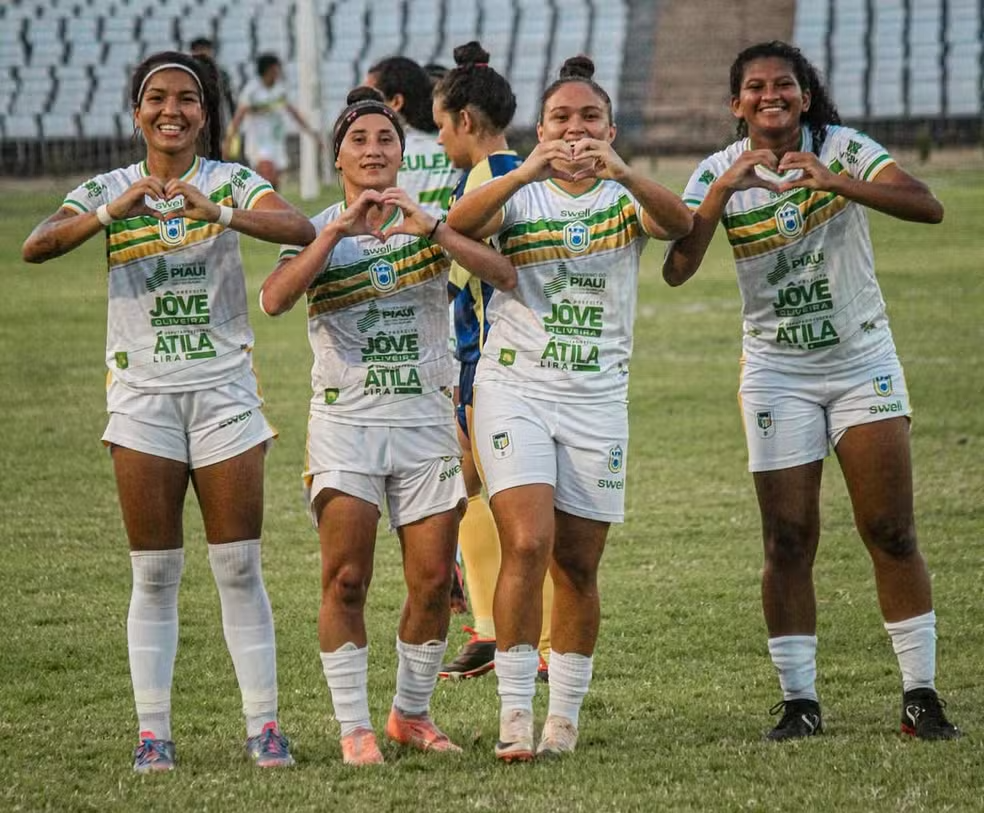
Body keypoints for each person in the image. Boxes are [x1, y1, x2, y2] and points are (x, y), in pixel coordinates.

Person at [21, 51, 316, 773]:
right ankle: (153, 733)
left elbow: (300, 228)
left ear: (204, 114)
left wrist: (219, 213)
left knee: (239, 566)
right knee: (153, 573)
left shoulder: (229, 181)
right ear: (137, 113)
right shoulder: (109, 187)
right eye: (157, 97)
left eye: (186, 98)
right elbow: (36, 246)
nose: (171, 110)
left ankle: (264, 727)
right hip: (142, 398)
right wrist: (107, 214)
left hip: (224, 395)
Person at [662, 40, 960, 741]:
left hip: (862, 361)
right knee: (788, 537)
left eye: (785, 84)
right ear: (737, 104)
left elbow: (928, 206)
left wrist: (837, 184)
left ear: (805, 94)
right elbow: (676, 268)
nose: (771, 95)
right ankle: (800, 702)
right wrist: (721, 193)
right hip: (777, 372)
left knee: (891, 529)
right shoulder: (715, 170)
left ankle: (920, 696)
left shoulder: (843, 147)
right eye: (756, 87)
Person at [260, 87, 518, 766]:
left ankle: (410, 714)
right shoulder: (315, 228)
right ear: (337, 155)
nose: (373, 150)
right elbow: (275, 299)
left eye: (386, 139)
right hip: (346, 424)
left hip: (425, 422)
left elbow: (504, 275)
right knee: (346, 578)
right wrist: (334, 234)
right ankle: (354, 727)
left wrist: (433, 231)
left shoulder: (428, 219)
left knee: (431, 581)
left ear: (403, 153)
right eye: (359, 140)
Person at [447, 56, 693, 760]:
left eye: (590, 118)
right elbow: (455, 226)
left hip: (597, 399)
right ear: (540, 128)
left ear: (610, 129)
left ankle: (564, 718)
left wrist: (625, 173)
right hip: (515, 390)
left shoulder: (624, 196)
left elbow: (679, 224)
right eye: (560, 118)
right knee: (527, 542)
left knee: (578, 565)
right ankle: (514, 714)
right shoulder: (518, 192)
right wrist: (524, 171)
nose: (575, 129)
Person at [431, 41, 554, 682]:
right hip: (490, 358)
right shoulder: (503, 172)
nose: (439, 139)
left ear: (465, 121)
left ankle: (529, 639)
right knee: (469, 489)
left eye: (441, 126)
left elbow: (465, 277)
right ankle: (493, 629)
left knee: (491, 497)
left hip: (489, 359)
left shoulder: (492, 180)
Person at [364, 55, 462, 209]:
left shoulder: (384, 153)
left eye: (370, 98)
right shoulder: (461, 143)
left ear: (396, 102)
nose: (362, 107)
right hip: (454, 224)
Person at [224, 52, 321, 190]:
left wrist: (312, 133)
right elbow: (238, 117)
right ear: (268, 70)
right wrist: (229, 141)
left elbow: (294, 113)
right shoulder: (252, 90)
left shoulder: (280, 89)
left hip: (277, 141)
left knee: (275, 181)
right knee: (266, 176)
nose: (278, 72)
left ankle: (271, 202)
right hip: (258, 143)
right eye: (276, 69)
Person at [189, 36, 236, 127]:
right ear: (192, 53)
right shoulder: (187, 74)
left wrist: (234, 122)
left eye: (205, 49)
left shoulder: (221, 74)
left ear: (211, 51)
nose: (202, 53)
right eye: (198, 50)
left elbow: (229, 98)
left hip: (217, 121)